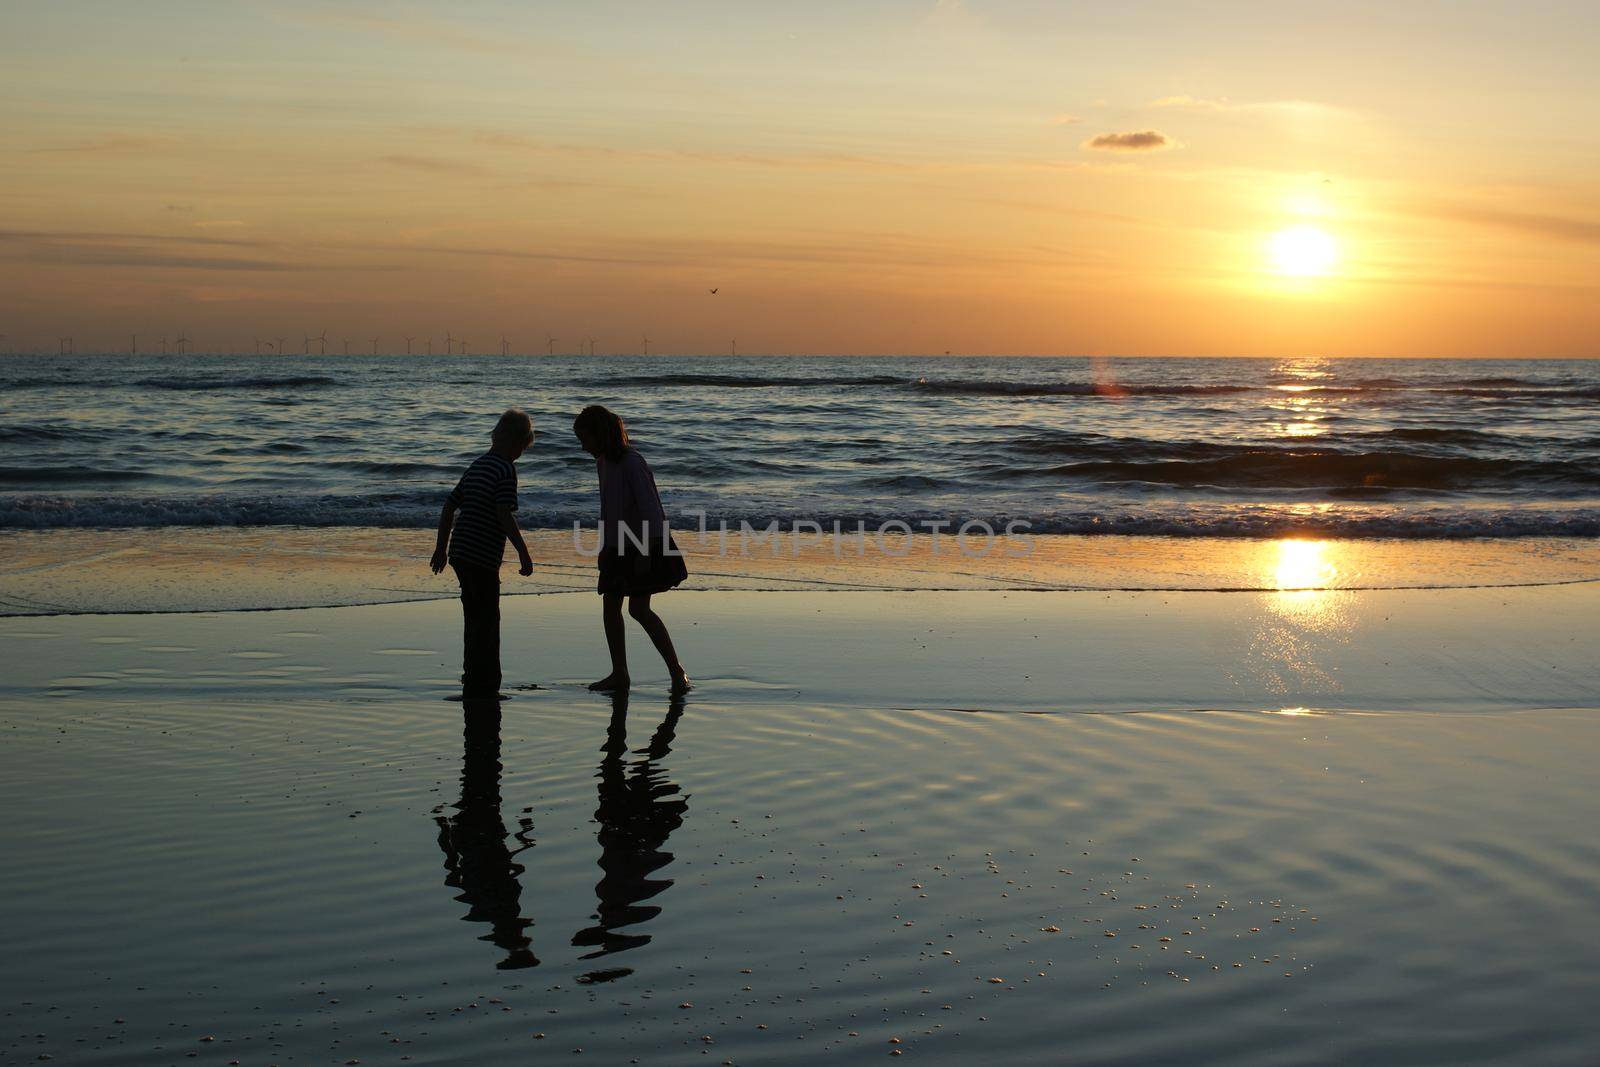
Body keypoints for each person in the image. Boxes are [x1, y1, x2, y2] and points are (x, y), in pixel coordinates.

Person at [571, 405, 690, 693]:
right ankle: (619, 673)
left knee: (639, 609)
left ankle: (677, 671)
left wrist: (647, 552)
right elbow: (609, 510)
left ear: (600, 434)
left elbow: (651, 510)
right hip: (616, 545)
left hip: (641, 543)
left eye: (585, 439)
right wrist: (604, 547)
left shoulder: (632, 462)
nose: (582, 446)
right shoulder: (603, 463)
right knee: (610, 607)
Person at [430, 409, 535, 697]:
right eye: (523, 449)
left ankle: (472, 677)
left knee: (473, 617)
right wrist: (524, 553)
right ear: (518, 443)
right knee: (488, 620)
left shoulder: (477, 465)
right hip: (482, 558)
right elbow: (504, 514)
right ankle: (487, 683)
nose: (520, 455)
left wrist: (441, 548)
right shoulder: (505, 470)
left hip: (461, 553)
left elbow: (449, 505)